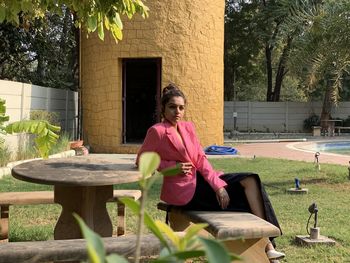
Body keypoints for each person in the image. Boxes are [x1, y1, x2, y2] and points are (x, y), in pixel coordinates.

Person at [136, 83, 285, 261]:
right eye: (172, 107)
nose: (177, 112)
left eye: (181, 108)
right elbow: (142, 160)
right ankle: (267, 247)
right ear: (163, 108)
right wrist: (171, 166)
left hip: (202, 182)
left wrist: (218, 187)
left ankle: (268, 244)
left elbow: (200, 159)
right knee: (241, 195)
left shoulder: (188, 128)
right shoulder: (157, 131)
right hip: (184, 192)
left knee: (250, 180)